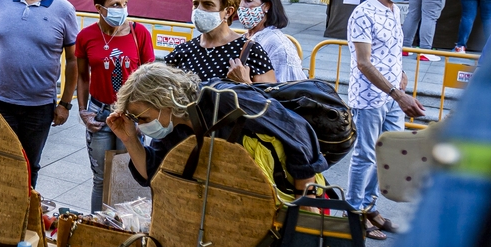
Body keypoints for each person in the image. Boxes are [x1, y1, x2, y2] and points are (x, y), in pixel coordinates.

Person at [106, 63, 328, 198]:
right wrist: (129, 139)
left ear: (165, 101)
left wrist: (304, 200)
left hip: (288, 195)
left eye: (143, 117)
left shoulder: (227, 99)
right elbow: (152, 175)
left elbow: (298, 133)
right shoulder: (173, 128)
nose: (142, 124)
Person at [0, 0, 79, 187]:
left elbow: (74, 59)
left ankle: (23, 213)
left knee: (28, 164)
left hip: (39, 107)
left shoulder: (64, 10)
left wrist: (65, 103)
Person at [347, 0, 426, 240]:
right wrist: (397, 93)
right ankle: (354, 213)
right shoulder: (363, 13)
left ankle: (369, 207)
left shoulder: (394, 10)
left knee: (388, 155)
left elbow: (391, 49)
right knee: (366, 155)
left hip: (393, 95)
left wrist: (401, 75)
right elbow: (364, 63)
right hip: (370, 96)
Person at [75, 0, 155, 212]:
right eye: (115, 4)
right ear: (99, 8)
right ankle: (96, 224)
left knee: (128, 175)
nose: (121, 9)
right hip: (99, 114)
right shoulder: (86, 36)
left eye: (124, 3)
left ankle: (126, 226)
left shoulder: (139, 33)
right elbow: (82, 76)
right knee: (100, 177)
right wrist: (83, 110)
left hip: (130, 115)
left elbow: (149, 78)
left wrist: (145, 118)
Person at [164, 0, 276, 84]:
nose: (199, 10)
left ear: (228, 12)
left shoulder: (250, 51)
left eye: (208, 4)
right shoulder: (182, 52)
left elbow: (270, 99)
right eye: (196, 4)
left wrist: (245, 83)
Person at [239, 0, 305, 82]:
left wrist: (245, 82)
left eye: (248, 1)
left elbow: (284, 91)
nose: (241, 6)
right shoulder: (244, 37)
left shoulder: (278, 45)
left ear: (266, 6)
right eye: (239, 1)